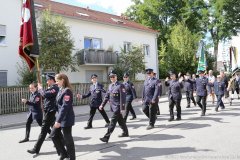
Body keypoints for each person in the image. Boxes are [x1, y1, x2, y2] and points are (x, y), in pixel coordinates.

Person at [27, 74, 59, 154]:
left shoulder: (55, 88)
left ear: (52, 80)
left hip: (50, 112)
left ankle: (36, 149)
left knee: (43, 131)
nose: (47, 81)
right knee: (55, 129)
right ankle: (61, 144)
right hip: (48, 111)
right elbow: (44, 96)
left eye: (48, 80)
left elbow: (45, 94)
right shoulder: (51, 88)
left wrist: (40, 88)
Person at [99, 70, 128, 143]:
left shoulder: (120, 85)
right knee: (121, 121)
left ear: (116, 77)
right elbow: (106, 97)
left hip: (118, 107)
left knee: (112, 123)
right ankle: (125, 132)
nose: (112, 78)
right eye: (111, 77)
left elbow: (123, 98)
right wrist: (102, 105)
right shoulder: (110, 86)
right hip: (113, 107)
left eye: (113, 76)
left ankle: (106, 137)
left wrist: (122, 108)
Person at [51, 73, 76, 160]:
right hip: (60, 118)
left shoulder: (67, 91)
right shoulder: (61, 89)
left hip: (66, 119)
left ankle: (72, 158)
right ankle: (64, 154)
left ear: (63, 80)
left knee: (68, 140)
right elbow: (58, 105)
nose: (56, 82)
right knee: (53, 135)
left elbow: (65, 107)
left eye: (57, 81)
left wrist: (58, 120)